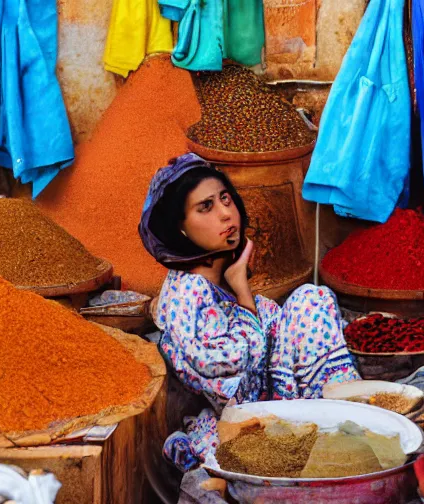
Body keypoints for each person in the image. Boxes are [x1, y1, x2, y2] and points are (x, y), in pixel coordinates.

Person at [139, 153, 360, 471]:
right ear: (181, 230)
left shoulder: (213, 276)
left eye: (225, 199)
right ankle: (335, 423)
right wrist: (242, 289)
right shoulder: (186, 293)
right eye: (206, 207)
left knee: (311, 298)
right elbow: (232, 368)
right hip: (250, 414)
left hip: (270, 396)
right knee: (309, 302)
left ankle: (338, 416)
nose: (226, 214)